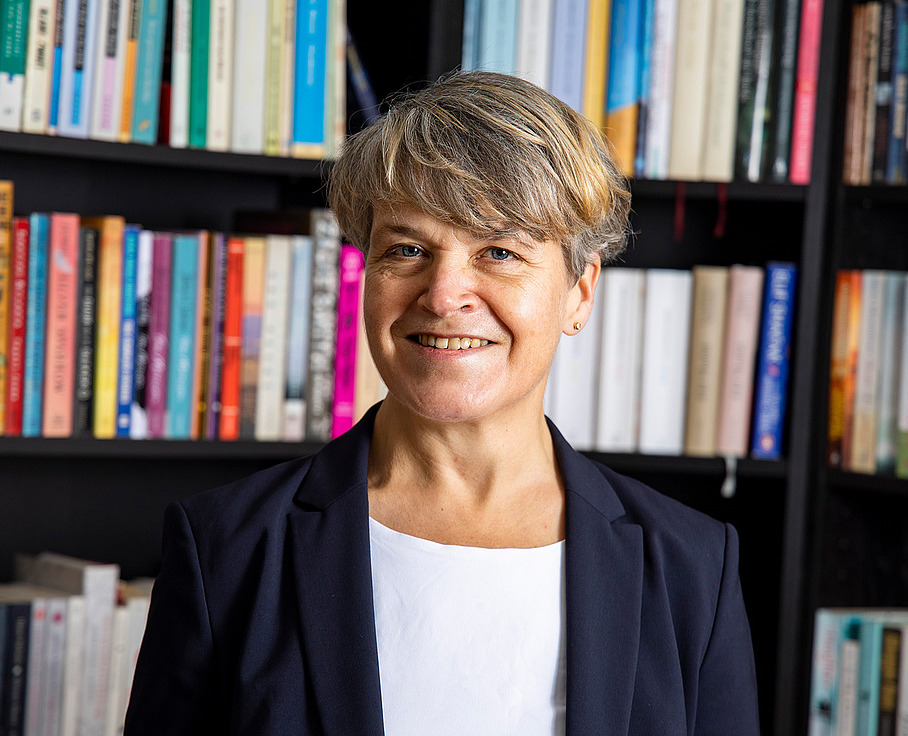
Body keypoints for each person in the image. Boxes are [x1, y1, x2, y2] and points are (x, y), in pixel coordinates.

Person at [124, 71, 760, 736]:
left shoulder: (694, 567)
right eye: (406, 249)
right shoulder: (226, 549)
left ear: (579, 293)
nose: (443, 294)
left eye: (499, 251)